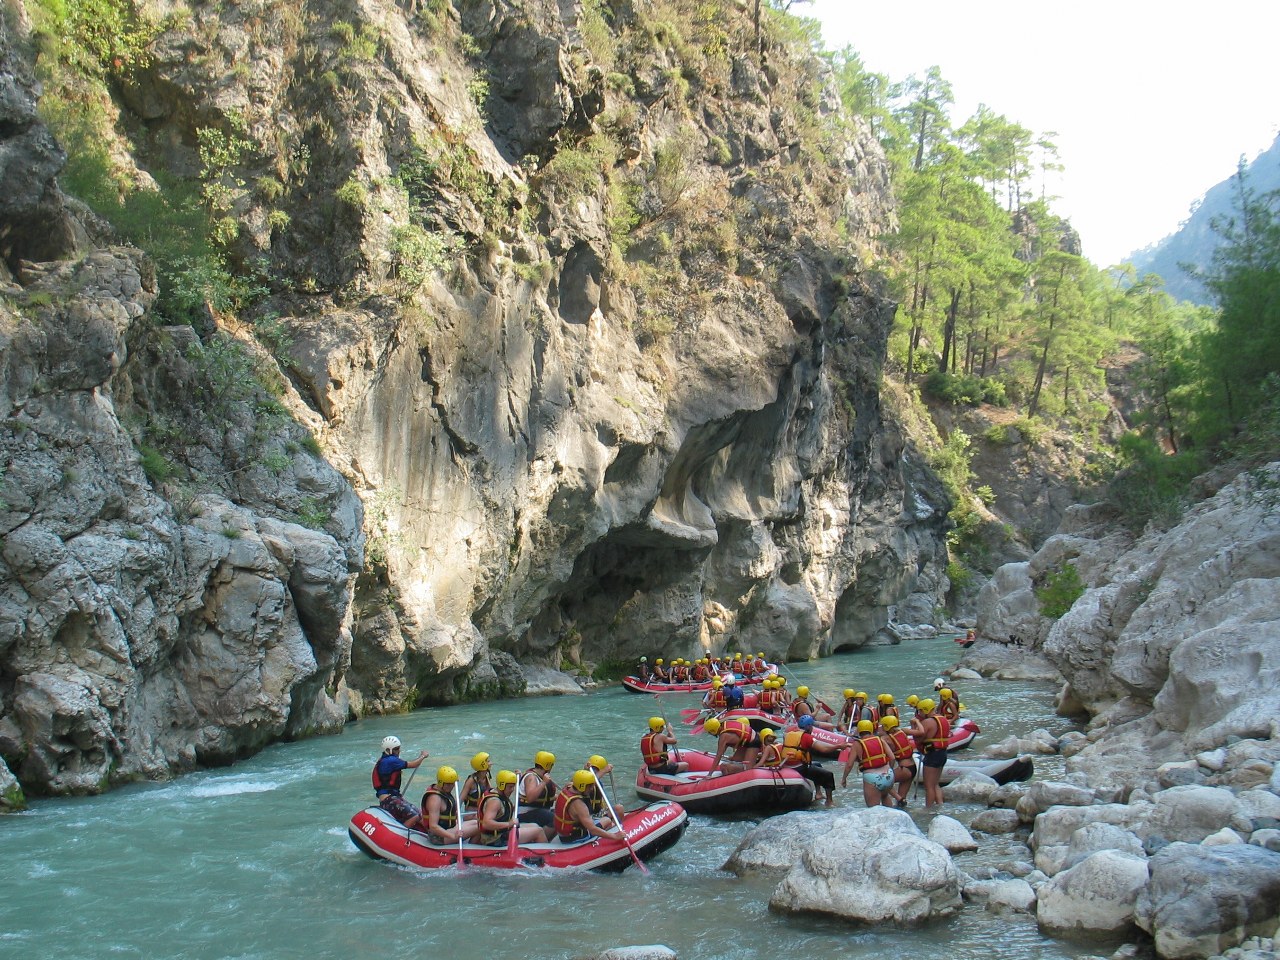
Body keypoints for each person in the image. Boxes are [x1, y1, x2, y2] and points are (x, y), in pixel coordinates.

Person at [477, 770, 551, 845]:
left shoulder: (498, 793)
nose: (512, 790)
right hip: (495, 839)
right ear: (502, 785)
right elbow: (486, 824)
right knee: (539, 831)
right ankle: (547, 854)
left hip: (502, 832)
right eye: (510, 787)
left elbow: (502, 813)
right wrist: (509, 824)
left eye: (513, 787)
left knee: (534, 825)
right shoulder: (495, 801)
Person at [371, 735, 430, 829]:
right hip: (389, 799)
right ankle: (401, 834)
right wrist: (423, 756)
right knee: (415, 816)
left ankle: (431, 833)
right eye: (397, 749)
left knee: (420, 814)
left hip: (392, 797)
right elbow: (413, 764)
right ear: (389, 750)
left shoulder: (384, 759)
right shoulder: (390, 761)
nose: (399, 751)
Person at [779, 715, 838, 806]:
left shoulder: (789, 734)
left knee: (817, 764)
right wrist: (838, 746)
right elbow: (824, 750)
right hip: (799, 768)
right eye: (812, 726)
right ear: (809, 727)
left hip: (787, 765)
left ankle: (818, 794)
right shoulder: (806, 737)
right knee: (828, 775)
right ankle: (829, 801)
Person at [553, 770, 624, 843]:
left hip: (564, 834)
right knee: (607, 821)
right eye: (590, 786)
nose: (592, 788)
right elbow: (592, 830)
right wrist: (615, 836)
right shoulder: (578, 804)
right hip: (575, 837)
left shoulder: (568, 787)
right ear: (582, 786)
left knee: (614, 811)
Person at [840, 719, 895, 808]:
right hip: (889, 775)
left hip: (872, 778)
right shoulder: (880, 739)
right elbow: (892, 757)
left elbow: (849, 765)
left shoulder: (857, 744)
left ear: (859, 731)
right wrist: (890, 770)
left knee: (873, 810)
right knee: (885, 796)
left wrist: (844, 778)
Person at [907, 698, 951, 810]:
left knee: (929, 785)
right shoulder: (943, 719)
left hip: (932, 755)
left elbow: (919, 738)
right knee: (935, 783)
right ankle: (940, 805)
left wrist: (912, 727)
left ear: (925, 710)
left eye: (920, 711)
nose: (920, 714)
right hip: (942, 753)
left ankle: (928, 809)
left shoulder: (928, 722)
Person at [421, 766, 479, 845]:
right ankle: (471, 850)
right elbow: (433, 826)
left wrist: (457, 824)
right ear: (441, 783)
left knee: (478, 823)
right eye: (448, 784)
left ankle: (472, 846)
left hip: (449, 829)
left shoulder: (444, 791)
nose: (452, 786)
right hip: (438, 836)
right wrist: (453, 836)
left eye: (452, 783)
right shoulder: (434, 799)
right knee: (480, 828)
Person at [879, 715, 918, 808]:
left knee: (882, 783)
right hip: (913, 768)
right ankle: (901, 804)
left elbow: (891, 758)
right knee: (901, 802)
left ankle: (898, 799)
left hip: (904, 769)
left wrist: (890, 770)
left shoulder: (886, 739)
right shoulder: (902, 731)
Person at [518, 750, 559, 831]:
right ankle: (542, 839)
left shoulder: (541, 776)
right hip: (525, 813)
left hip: (538, 810)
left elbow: (546, 797)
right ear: (548, 765)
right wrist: (543, 782)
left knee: (561, 816)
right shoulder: (531, 777)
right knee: (555, 820)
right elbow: (530, 798)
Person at [584, 755, 625, 821]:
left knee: (619, 808)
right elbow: (590, 782)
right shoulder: (585, 783)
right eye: (593, 769)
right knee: (607, 821)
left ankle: (619, 828)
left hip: (599, 813)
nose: (594, 771)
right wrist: (604, 771)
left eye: (596, 769)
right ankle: (612, 827)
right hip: (590, 817)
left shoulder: (598, 781)